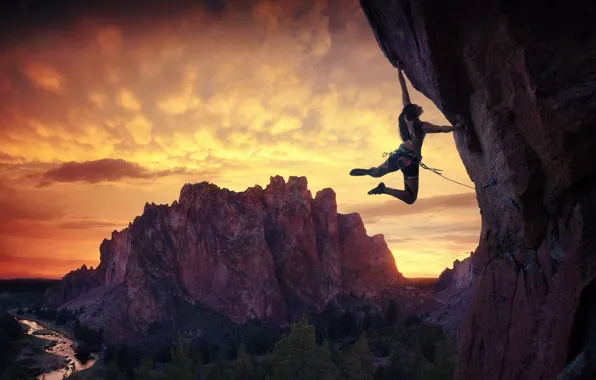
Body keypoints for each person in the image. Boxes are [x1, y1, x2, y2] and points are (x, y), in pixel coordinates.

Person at [349, 67, 463, 204]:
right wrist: (457, 127)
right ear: (415, 113)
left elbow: (404, 90)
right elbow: (441, 129)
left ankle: (369, 172)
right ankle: (384, 190)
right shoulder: (422, 126)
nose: (420, 107)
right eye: (418, 108)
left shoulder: (405, 117)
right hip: (409, 160)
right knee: (410, 198)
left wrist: (399, 72)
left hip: (398, 154)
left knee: (378, 173)